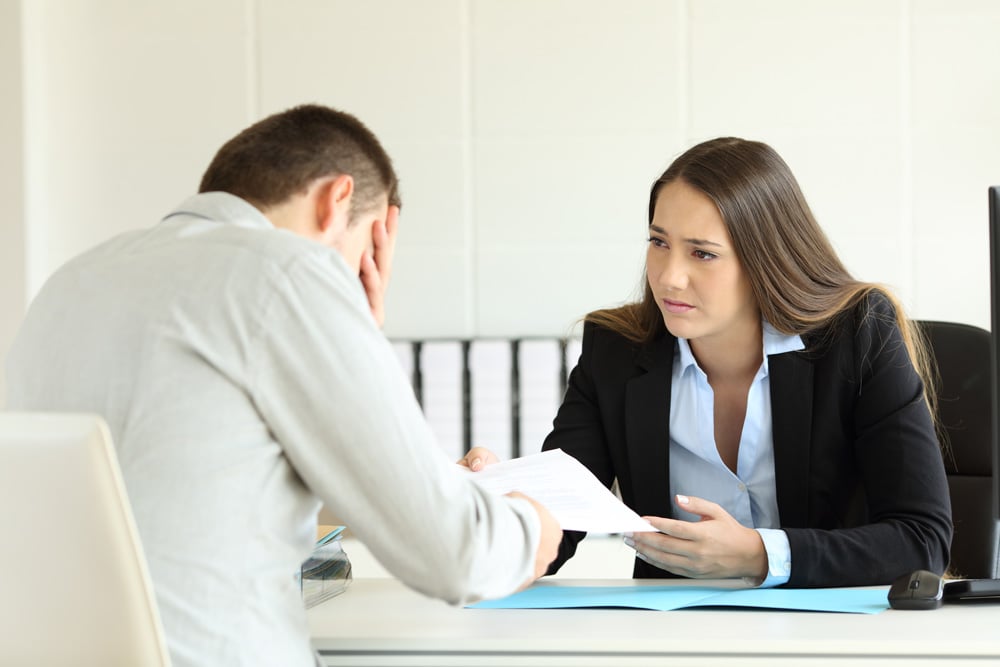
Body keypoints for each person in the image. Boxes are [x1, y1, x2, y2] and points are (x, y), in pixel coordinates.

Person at [5, 104, 560, 666]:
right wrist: (533, 523)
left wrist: (420, 469)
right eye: (369, 250)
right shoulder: (285, 273)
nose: (367, 273)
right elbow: (458, 557)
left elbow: (196, 523)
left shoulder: (71, 283)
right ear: (335, 200)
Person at [465, 137, 952, 589]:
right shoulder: (614, 349)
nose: (669, 278)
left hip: (830, 638)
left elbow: (921, 541)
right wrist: (491, 513)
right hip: (674, 638)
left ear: (767, 260)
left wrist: (762, 555)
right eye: (659, 243)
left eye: (702, 253)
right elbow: (558, 523)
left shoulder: (859, 334)